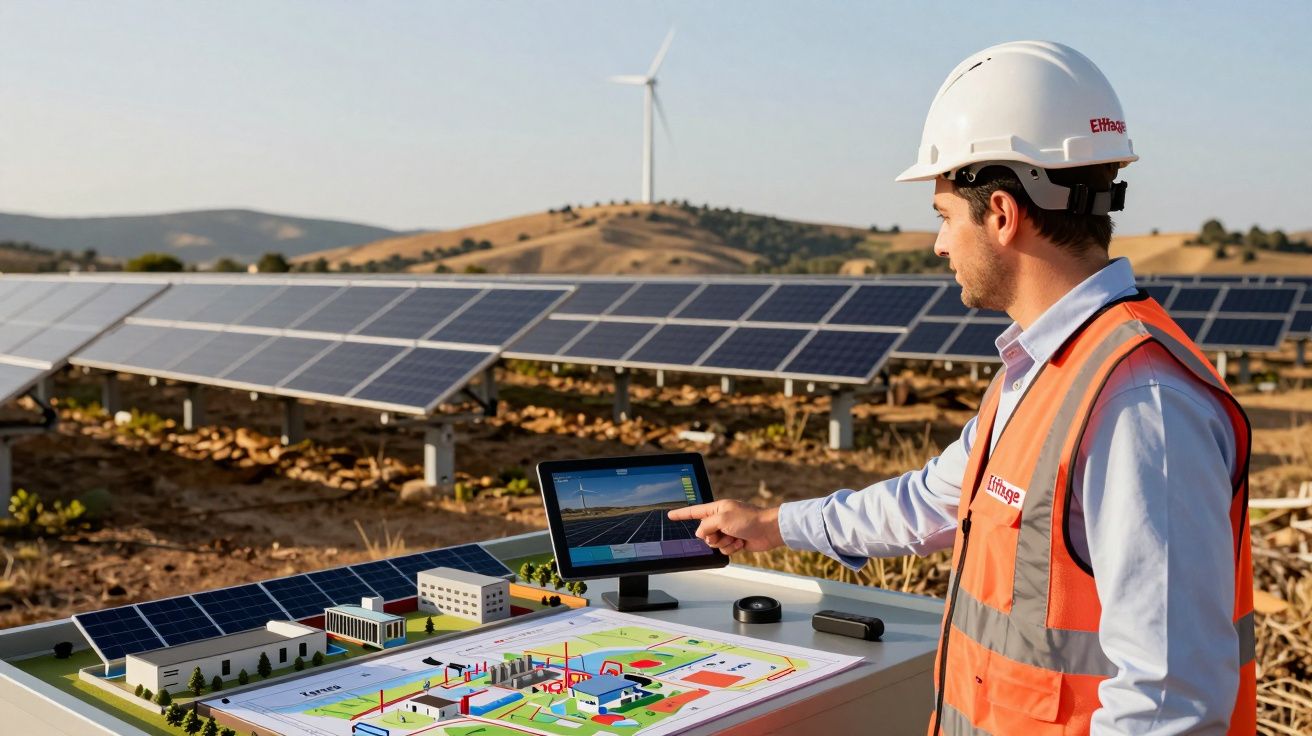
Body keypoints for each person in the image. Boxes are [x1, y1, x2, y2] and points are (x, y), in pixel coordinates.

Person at [669, 41, 1255, 735]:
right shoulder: (1042, 373)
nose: (939, 244)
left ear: (1001, 214)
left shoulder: (1137, 403)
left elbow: (1168, 705)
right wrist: (773, 525)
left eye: (945, 215)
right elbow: (928, 502)